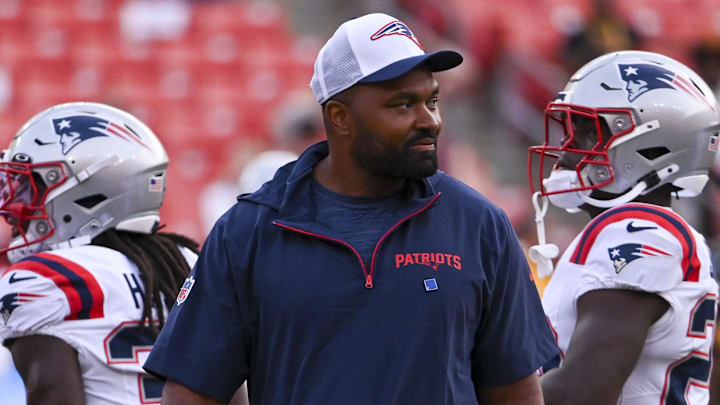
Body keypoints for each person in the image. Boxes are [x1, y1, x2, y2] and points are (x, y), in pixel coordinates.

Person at [144, 12, 558, 405]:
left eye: (432, 100)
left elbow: (515, 393)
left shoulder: (480, 225)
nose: (429, 120)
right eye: (403, 105)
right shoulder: (248, 232)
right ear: (340, 117)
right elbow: (191, 392)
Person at [527, 50, 720, 404]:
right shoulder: (642, 231)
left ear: (650, 148)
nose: (566, 150)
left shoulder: (639, 230)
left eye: (586, 133)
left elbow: (581, 393)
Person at [0, 102, 208, 405]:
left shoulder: (44, 280)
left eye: (34, 186)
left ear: (91, 191)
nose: (15, 206)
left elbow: (52, 396)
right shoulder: (189, 264)